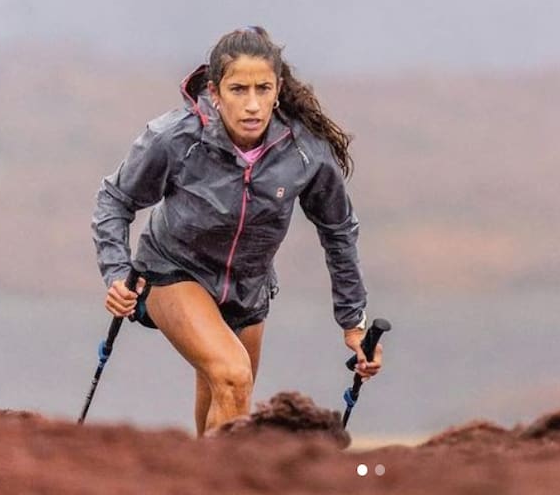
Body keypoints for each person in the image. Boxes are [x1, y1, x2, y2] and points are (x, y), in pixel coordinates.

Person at [91, 26, 382, 434]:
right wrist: (117, 273)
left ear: (278, 89)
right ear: (215, 91)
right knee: (233, 375)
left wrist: (353, 324)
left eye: (263, 89)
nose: (252, 105)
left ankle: (204, 477)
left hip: (248, 289)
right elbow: (114, 200)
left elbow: (338, 231)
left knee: (228, 399)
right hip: (173, 272)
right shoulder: (175, 138)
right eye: (238, 89)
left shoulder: (305, 152)